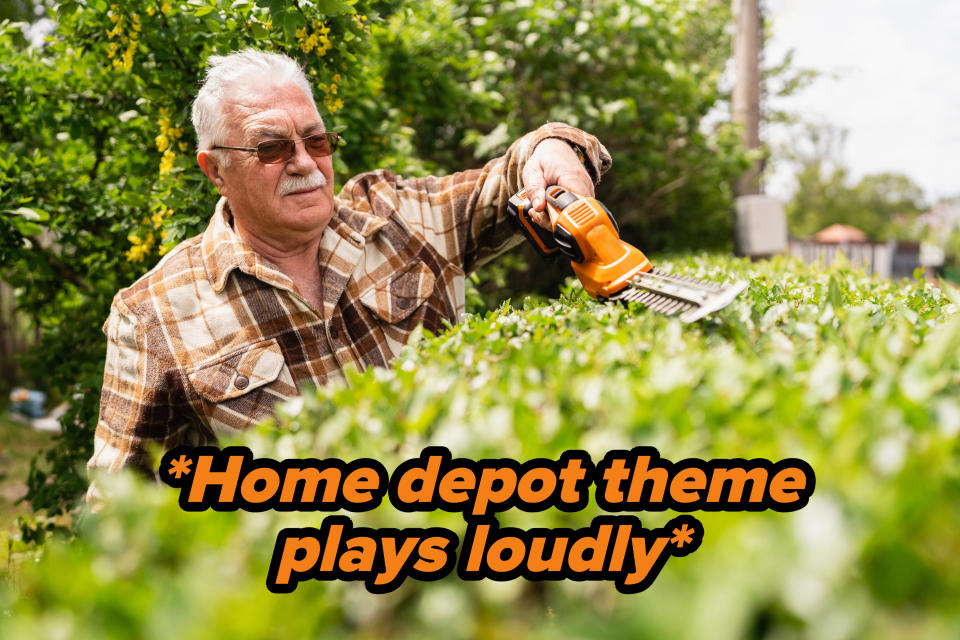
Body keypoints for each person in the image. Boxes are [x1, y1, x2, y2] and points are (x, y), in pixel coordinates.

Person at [87, 49, 610, 487]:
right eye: (271, 148)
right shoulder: (153, 314)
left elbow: (512, 174)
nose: (304, 162)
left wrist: (554, 149)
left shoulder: (401, 217)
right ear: (216, 170)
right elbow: (120, 506)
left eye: (316, 141)